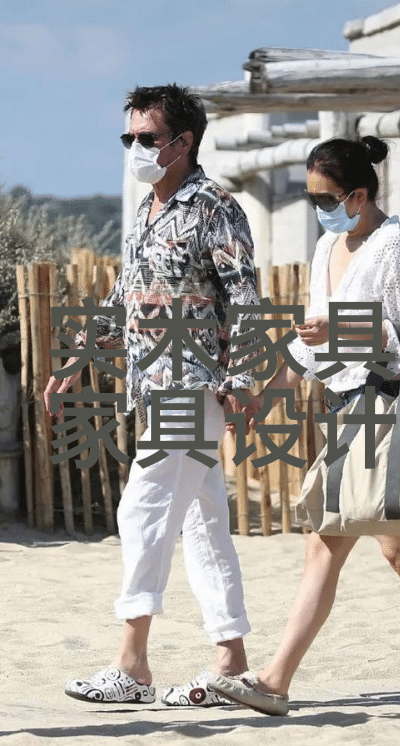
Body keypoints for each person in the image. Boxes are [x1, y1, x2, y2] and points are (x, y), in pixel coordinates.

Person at [208, 136, 400, 714]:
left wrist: (343, 330)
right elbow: (311, 343)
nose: (319, 208)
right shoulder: (327, 247)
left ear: (359, 195)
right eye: (312, 197)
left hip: (383, 409)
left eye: (327, 198)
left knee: (393, 551)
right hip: (344, 411)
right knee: (340, 546)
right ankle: (279, 680)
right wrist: (266, 396)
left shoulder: (397, 246)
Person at [44, 84, 260, 707]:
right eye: (129, 137)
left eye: (147, 137)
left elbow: (245, 297)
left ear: (183, 141)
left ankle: (133, 665)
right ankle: (231, 662)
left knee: (142, 509)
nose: (135, 147)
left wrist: (243, 378)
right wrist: (81, 354)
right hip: (157, 385)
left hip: (192, 385)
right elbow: (126, 296)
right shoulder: (146, 209)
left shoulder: (215, 207)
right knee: (203, 523)